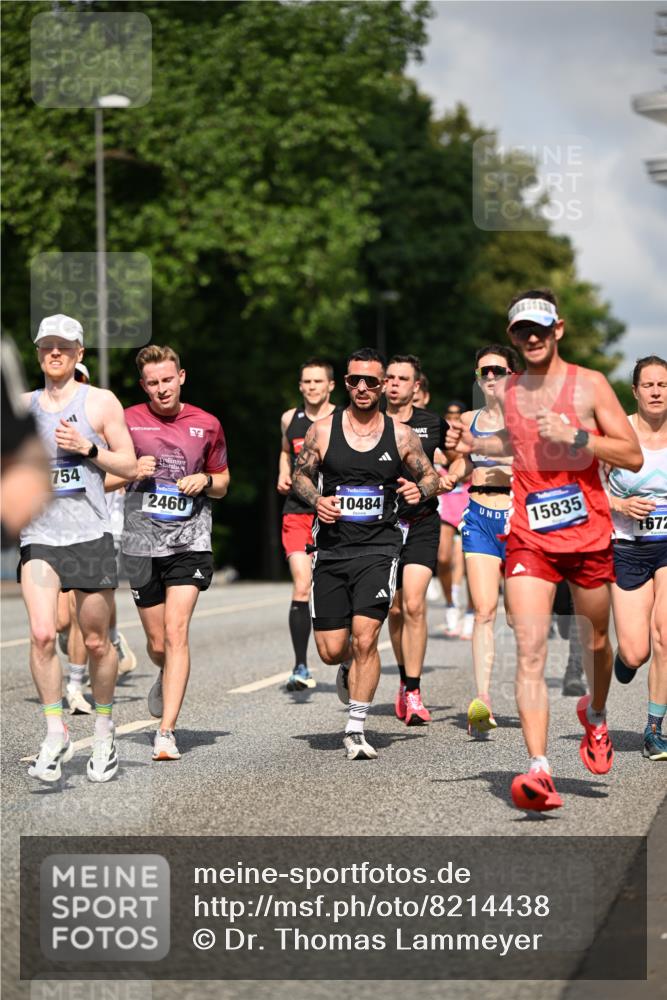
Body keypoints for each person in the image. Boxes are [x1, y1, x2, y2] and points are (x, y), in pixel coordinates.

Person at [447, 289, 642, 811]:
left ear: (558, 330)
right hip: (529, 538)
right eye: (520, 331)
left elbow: (631, 453)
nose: (530, 337)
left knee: (599, 642)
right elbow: (510, 443)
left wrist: (580, 438)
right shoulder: (508, 393)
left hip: (589, 537)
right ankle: (539, 768)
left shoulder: (590, 385)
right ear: (513, 337)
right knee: (529, 646)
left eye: (539, 328)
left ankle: (595, 714)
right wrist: (468, 448)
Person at [292, 347, 439, 760]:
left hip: (380, 547)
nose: (362, 387)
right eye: (355, 380)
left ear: (381, 386)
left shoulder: (401, 434)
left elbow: (431, 477)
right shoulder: (322, 430)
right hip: (333, 550)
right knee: (332, 649)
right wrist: (317, 500)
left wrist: (418, 489)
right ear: (345, 383)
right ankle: (346, 668)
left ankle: (356, 727)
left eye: (371, 381)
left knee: (366, 638)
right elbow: (299, 475)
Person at [18, 314, 137, 783]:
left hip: (90, 535)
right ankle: (55, 730)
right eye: (47, 345)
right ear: (39, 352)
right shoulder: (22, 407)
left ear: (79, 354)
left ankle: (104, 730)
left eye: (64, 346)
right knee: (44, 634)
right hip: (40, 538)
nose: (55, 353)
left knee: (94, 641)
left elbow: (128, 464)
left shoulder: (101, 402)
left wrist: (87, 448)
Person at [106, 345, 229, 762]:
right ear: (144, 386)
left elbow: (224, 481)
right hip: (141, 545)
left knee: (177, 633)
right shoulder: (125, 420)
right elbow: (98, 477)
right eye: (152, 383)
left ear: (181, 377)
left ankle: (166, 732)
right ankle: (162, 672)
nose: (161, 389)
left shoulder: (207, 424)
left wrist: (203, 481)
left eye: (167, 379)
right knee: (158, 643)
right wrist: (127, 470)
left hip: (189, 542)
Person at [455, 345, 518, 737]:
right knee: (483, 611)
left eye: (497, 370)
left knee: (518, 617)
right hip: (478, 516)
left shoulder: (527, 420)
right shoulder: (467, 420)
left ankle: (528, 690)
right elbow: (461, 465)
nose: (490, 377)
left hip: (518, 520)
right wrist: (445, 477)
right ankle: (482, 699)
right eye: (483, 372)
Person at [607, 355, 667, 760]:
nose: (657, 392)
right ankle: (623, 660)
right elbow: (587, 492)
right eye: (649, 385)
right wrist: (621, 506)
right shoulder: (617, 434)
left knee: (665, 634)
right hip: (626, 545)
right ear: (635, 391)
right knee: (635, 651)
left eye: (663, 384)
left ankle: (653, 729)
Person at [385, 354, 449, 725]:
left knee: (414, 604)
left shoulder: (431, 423)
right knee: (394, 609)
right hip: (383, 526)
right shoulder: (369, 423)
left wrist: (448, 477)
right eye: (389, 377)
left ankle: (413, 688)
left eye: (402, 378)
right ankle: (402, 674)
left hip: (423, 521)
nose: (394, 384)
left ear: (415, 386)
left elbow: (456, 460)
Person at [277, 360, 335, 691]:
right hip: (297, 511)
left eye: (318, 382)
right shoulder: (289, 418)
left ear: (330, 386)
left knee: (337, 586)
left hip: (333, 513)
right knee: (302, 584)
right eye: (306, 382)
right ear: (300, 386)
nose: (312, 387)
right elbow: (285, 452)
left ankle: (347, 656)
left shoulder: (342, 419)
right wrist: (282, 471)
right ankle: (300, 666)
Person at [435, 401, 469, 637]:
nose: (453, 419)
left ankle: (470, 613)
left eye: (458, 415)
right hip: (446, 505)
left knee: (468, 560)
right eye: (449, 414)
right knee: (443, 557)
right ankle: (450, 603)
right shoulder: (438, 439)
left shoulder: (470, 438)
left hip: (469, 503)